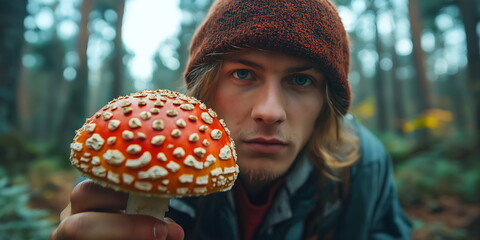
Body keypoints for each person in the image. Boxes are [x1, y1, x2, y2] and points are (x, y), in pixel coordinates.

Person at [50, 0, 413, 239]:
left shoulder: (365, 166)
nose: (270, 112)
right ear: (205, 89)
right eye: (243, 74)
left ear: (327, 103)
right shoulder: (143, 155)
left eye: (301, 80)